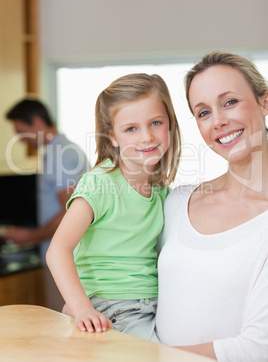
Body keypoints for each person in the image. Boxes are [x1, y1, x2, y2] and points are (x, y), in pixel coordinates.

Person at [46, 73, 181, 340]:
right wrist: (82, 308)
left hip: (152, 305)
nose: (146, 137)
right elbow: (57, 250)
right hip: (112, 307)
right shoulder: (99, 183)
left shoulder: (163, 193)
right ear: (113, 137)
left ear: (170, 125)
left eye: (156, 122)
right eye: (131, 128)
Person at [155, 52, 268, 361]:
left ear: (264, 102)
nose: (218, 121)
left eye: (229, 102)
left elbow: (258, 348)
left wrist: (140, 356)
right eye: (203, 112)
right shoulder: (178, 202)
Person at [3, 99, 90, 310]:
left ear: (37, 122)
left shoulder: (60, 155)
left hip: (65, 261)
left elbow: (69, 212)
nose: (20, 140)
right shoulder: (61, 150)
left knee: (65, 326)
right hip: (65, 258)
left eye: (22, 132)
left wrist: (31, 236)